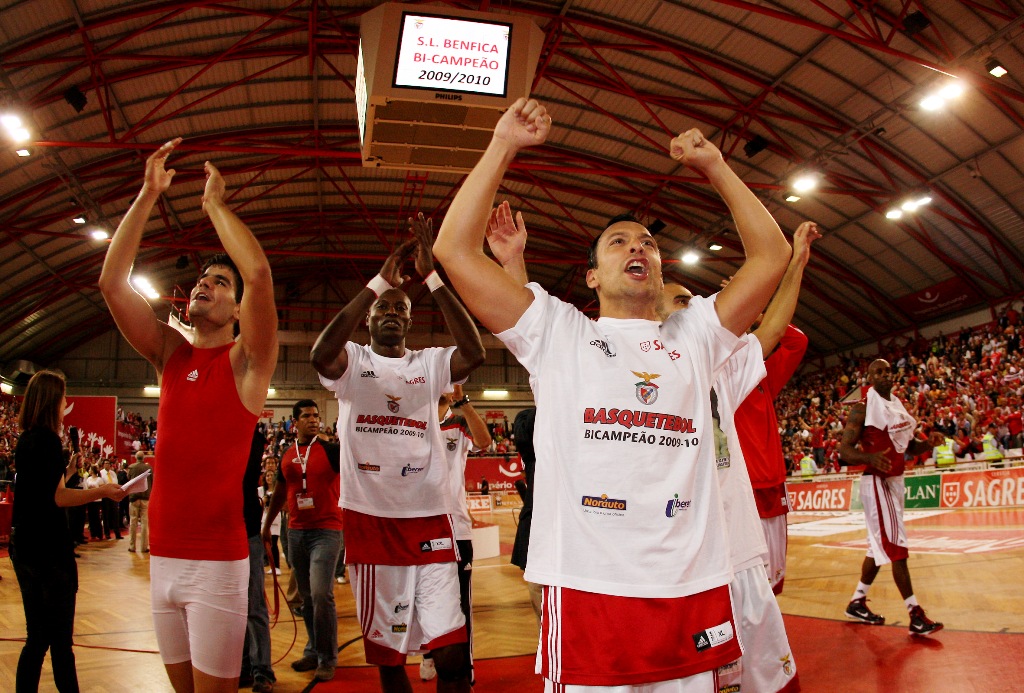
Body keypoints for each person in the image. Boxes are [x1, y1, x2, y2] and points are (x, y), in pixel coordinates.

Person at [433, 98, 790, 689]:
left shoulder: (696, 333)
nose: (637, 248)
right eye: (619, 242)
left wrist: (717, 166)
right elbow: (454, 251)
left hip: (691, 586)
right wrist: (502, 145)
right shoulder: (559, 331)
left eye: (647, 242)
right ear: (593, 275)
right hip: (588, 587)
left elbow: (771, 255)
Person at [489, 208, 813, 692]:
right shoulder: (607, 350)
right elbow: (532, 336)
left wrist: (794, 266)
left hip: (730, 556)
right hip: (665, 562)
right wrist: (514, 266)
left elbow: (766, 330)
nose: (692, 304)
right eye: (681, 299)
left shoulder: (717, 358)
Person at [99, 138, 278, 692]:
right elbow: (111, 282)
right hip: (164, 558)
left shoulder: (248, 361)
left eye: (220, 282)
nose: (205, 282)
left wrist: (215, 207)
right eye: (203, 278)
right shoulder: (170, 354)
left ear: (236, 308)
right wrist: (148, 194)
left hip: (217, 567)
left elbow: (261, 275)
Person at [310, 214, 484, 692]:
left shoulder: (428, 364)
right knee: (390, 661)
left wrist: (433, 277)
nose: (391, 313)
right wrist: (379, 282)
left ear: (410, 319)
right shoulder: (353, 362)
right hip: (371, 522)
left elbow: (475, 353)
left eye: (401, 309)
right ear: (369, 317)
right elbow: (319, 355)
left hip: (429, 517)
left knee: (450, 655)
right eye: (383, 307)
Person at [10, 370, 126, 692]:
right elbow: (59, 497)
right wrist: (102, 492)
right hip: (47, 552)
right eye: (63, 398)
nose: (66, 404)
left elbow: (44, 488)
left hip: (26, 546)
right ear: (52, 401)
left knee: (36, 639)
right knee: (61, 642)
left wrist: (67, 471)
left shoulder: (27, 440)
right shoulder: (47, 441)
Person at [840, 358, 945, 636]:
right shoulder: (861, 410)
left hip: (895, 481)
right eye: (878, 371)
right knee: (896, 545)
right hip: (876, 482)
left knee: (877, 547)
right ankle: (915, 614)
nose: (885, 375)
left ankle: (857, 601)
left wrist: (927, 444)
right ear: (869, 377)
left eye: (888, 370)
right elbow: (844, 451)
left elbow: (908, 447)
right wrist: (868, 456)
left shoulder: (897, 407)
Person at [262, 400, 342, 684]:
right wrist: (267, 525)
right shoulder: (286, 454)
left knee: (322, 594)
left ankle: (328, 658)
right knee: (307, 599)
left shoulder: (333, 451)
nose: (313, 420)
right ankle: (314, 649)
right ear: (294, 422)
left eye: (316, 416)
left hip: (327, 531)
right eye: (306, 416)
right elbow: (280, 492)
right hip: (296, 532)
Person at [421, 383, 492, 683]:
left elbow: (484, 441)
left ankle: (467, 664)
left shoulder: (459, 421)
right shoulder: (414, 420)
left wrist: (463, 403)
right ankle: (428, 655)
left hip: (457, 529)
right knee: (424, 599)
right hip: (420, 526)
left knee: (462, 602)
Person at [241, 429, 275, 693]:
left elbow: (242, 472)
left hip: (246, 529)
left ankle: (261, 670)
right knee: (228, 606)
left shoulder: (250, 433)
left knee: (254, 605)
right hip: (217, 531)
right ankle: (241, 666)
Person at [127, 450, 152, 554]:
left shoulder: (131, 468)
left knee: (133, 522)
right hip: (145, 497)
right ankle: (144, 547)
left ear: (136, 458)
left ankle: (132, 546)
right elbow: (152, 481)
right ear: (144, 458)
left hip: (134, 497)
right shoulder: (148, 468)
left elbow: (128, 480)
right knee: (144, 523)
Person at [99, 459, 122, 540]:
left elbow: (116, 483)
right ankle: (107, 533)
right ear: (103, 464)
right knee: (106, 515)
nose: (107, 465)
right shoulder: (101, 473)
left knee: (115, 514)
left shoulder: (113, 473)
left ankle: (117, 533)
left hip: (114, 495)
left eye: (109, 463)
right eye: (106, 463)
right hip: (106, 496)